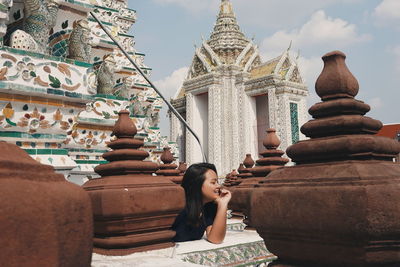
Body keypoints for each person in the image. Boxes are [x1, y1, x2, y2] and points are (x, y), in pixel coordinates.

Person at [172, 163, 231, 244]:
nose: (219, 186)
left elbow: (215, 239)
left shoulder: (208, 208)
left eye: (217, 182)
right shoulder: (178, 208)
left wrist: (223, 204)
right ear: (197, 184)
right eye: (213, 182)